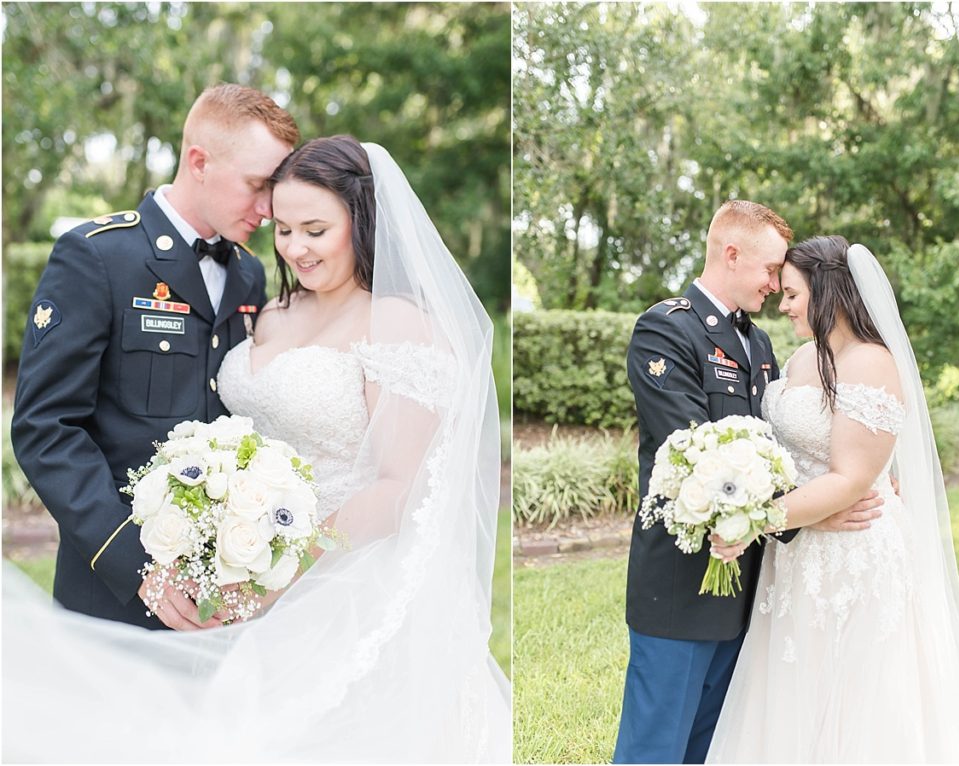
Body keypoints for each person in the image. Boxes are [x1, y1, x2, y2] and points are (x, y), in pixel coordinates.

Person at [2, 135, 511, 763]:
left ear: (363, 223)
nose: (295, 248)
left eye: (316, 230)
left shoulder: (400, 324)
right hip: (241, 578)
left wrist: (280, 575)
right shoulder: (268, 308)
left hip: (342, 583)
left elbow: (396, 487)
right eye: (286, 229)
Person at [706, 236, 959, 762]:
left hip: (854, 548)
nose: (782, 306)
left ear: (827, 290)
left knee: (856, 691)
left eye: (792, 294)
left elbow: (851, 478)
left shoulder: (872, 362)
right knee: (794, 678)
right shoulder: (802, 357)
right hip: (801, 544)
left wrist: (752, 520)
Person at [11, 83, 299, 629]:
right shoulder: (97, 256)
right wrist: (134, 565)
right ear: (199, 162)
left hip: (225, 591)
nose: (268, 208)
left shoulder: (249, 273)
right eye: (257, 186)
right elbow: (46, 427)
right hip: (111, 597)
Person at [614, 203, 884, 764]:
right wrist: (806, 513)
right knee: (655, 746)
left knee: (715, 747)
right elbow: (692, 457)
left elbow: (792, 447)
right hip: (683, 578)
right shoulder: (666, 328)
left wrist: (847, 484)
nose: (774, 284)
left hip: (753, 585)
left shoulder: (760, 346)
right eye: (768, 270)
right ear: (730, 254)